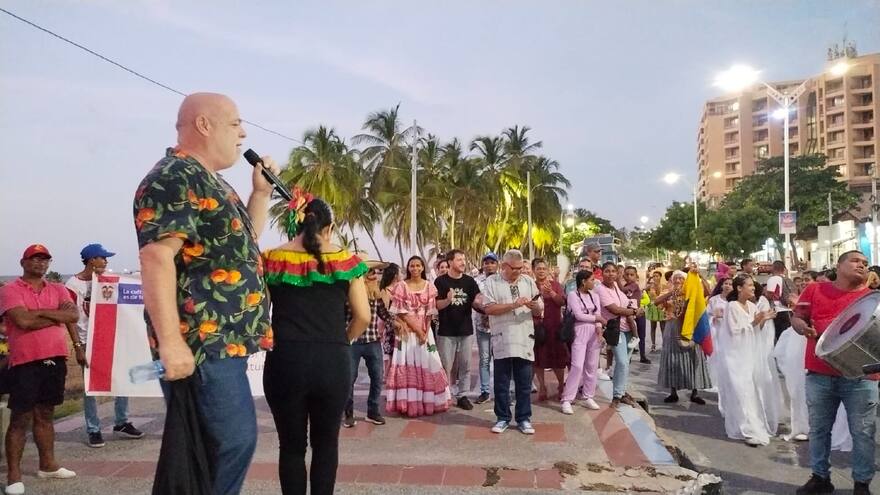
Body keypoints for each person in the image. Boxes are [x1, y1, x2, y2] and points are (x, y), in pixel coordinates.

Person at [134, 93, 276, 494]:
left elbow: (239, 246)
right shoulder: (174, 177)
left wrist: (261, 194)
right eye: (235, 123)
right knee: (229, 442)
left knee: (221, 446)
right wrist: (171, 343)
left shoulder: (210, 181)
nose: (243, 133)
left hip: (222, 341)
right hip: (202, 341)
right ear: (203, 124)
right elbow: (157, 257)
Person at [262, 196, 371, 494]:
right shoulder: (346, 260)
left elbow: (260, 314)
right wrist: (340, 340)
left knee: (291, 447)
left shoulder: (272, 257)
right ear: (330, 226)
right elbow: (363, 316)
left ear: (297, 221)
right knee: (326, 445)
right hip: (332, 360)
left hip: (286, 360)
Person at [792, 251, 876, 495]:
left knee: (863, 432)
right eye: (855, 261)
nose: (862, 265)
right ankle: (820, 478)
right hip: (819, 374)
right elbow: (798, 317)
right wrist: (802, 328)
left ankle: (862, 484)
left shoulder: (872, 298)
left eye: (865, 263)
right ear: (839, 266)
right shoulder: (815, 290)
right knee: (818, 429)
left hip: (860, 376)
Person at [0, 245, 80, 495]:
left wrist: (41, 313)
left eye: (45, 260)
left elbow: (74, 316)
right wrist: (56, 316)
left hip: (55, 359)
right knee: (20, 418)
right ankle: (14, 475)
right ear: (23, 262)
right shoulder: (10, 290)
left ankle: (48, 465)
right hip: (25, 361)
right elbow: (22, 321)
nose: (40, 263)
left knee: (45, 414)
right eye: (35, 259)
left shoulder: (58, 288)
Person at [64, 243, 144, 448]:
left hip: (109, 336)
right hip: (87, 340)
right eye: (103, 258)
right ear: (92, 260)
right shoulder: (73, 285)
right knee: (91, 387)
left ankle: (122, 421)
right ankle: (93, 428)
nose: (106, 261)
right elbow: (70, 318)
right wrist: (78, 345)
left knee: (121, 378)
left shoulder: (106, 280)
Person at [481, 250, 543, 434]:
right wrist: (514, 305)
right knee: (501, 382)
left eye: (520, 268)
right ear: (504, 266)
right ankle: (502, 418)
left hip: (524, 337)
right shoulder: (492, 282)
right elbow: (489, 309)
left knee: (524, 382)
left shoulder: (528, 281)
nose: (518, 271)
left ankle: (524, 418)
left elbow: (539, 311)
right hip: (503, 337)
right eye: (514, 268)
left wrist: (534, 307)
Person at [715, 275, 779, 447]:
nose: (753, 288)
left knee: (751, 392)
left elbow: (755, 330)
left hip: (749, 356)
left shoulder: (752, 306)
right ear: (739, 288)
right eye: (749, 285)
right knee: (740, 392)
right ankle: (746, 429)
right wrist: (756, 321)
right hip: (735, 357)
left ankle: (752, 425)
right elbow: (734, 331)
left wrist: (763, 320)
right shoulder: (732, 306)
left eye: (753, 286)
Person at [385, 257, 452, 417]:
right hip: (407, 332)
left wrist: (426, 331)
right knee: (407, 364)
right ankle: (407, 403)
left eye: (418, 265)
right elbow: (401, 312)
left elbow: (430, 312)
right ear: (408, 267)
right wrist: (419, 331)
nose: (415, 268)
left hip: (424, 332)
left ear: (423, 267)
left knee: (427, 363)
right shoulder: (401, 286)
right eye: (412, 265)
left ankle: (427, 401)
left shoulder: (429, 286)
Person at [343, 260, 392, 428]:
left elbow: (384, 314)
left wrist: (396, 323)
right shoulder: (350, 293)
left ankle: (373, 411)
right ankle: (348, 414)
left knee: (377, 378)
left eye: (375, 273)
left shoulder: (375, 294)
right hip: (353, 342)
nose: (374, 276)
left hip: (373, 341)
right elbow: (341, 316)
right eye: (370, 272)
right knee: (349, 378)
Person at [655, 271, 712, 405]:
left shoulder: (691, 293)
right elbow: (656, 302)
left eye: (681, 278)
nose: (678, 280)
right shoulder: (667, 292)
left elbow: (707, 292)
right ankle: (673, 392)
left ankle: (695, 392)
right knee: (672, 359)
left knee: (694, 358)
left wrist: (700, 277)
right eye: (676, 278)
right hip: (672, 328)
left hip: (690, 328)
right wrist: (672, 292)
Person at [434, 249, 481, 410]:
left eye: (464, 259)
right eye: (459, 259)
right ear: (450, 262)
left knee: (465, 365)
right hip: (446, 331)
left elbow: (476, 300)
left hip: (466, 330)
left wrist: (482, 303)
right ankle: (445, 395)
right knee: (446, 365)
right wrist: (447, 300)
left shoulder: (469, 281)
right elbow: (437, 305)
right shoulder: (440, 282)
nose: (463, 262)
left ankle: (463, 396)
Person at [595, 262, 641, 409]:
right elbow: (614, 309)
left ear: (617, 273)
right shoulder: (600, 290)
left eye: (613, 271)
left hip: (628, 329)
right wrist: (634, 312)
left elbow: (628, 303)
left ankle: (620, 393)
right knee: (621, 362)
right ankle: (617, 395)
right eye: (607, 271)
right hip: (615, 331)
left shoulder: (617, 288)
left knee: (625, 364)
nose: (611, 274)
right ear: (602, 273)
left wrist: (636, 309)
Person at [560, 270, 605, 413]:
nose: (594, 282)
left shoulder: (595, 296)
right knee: (577, 365)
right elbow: (578, 315)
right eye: (591, 279)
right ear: (584, 281)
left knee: (591, 365)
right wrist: (596, 319)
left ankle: (588, 396)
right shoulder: (573, 295)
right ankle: (567, 398)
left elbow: (598, 313)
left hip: (594, 331)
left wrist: (598, 326)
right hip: (579, 330)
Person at [532, 258, 569, 401]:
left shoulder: (556, 285)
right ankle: (542, 386)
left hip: (554, 326)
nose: (541, 271)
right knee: (538, 359)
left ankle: (561, 385)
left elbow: (562, 302)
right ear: (534, 271)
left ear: (548, 270)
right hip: (537, 328)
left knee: (558, 359)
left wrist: (552, 293)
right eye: (538, 268)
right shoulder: (530, 285)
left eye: (543, 268)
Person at [473, 253, 499, 404]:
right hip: (482, 325)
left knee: (501, 359)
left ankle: (503, 390)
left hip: (500, 325)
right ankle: (485, 391)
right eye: (486, 263)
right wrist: (486, 312)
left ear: (497, 264)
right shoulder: (477, 281)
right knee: (484, 359)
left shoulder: (502, 280)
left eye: (492, 262)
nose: (489, 265)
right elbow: (475, 302)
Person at [621, 266, 650, 364]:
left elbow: (623, 290)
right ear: (624, 276)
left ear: (636, 276)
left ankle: (642, 355)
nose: (629, 276)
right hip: (629, 313)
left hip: (638, 313)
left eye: (631, 274)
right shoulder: (626, 286)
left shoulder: (633, 286)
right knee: (629, 336)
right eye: (627, 274)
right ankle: (629, 357)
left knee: (641, 336)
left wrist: (616, 280)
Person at [379, 263, 403, 377]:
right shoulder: (385, 291)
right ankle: (389, 382)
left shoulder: (402, 289)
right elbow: (383, 313)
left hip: (402, 328)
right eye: (400, 272)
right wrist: (381, 331)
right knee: (389, 357)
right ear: (394, 275)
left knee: (400, 356)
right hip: (390, 329)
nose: (402, 275)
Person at [765, 260, 796, 344]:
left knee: (780, 338)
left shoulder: (773, 279)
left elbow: (770, 295)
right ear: (783, 269)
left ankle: (780, 356)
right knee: (788, 338)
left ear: (773, 268)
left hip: (779, 311)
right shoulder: (788, 280)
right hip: (789, 310)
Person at [644, 270, 666, 354]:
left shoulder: (664, 286)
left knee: (663, 327)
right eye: (654, 276)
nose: (656, 277)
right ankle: (653, 344)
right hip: (652, 307)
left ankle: (664, 344)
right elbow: (643, 292)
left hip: (661, 307)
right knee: (653, 327)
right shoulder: (650, 286)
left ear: (660, 277)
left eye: (657, 276)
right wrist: (648, 301)